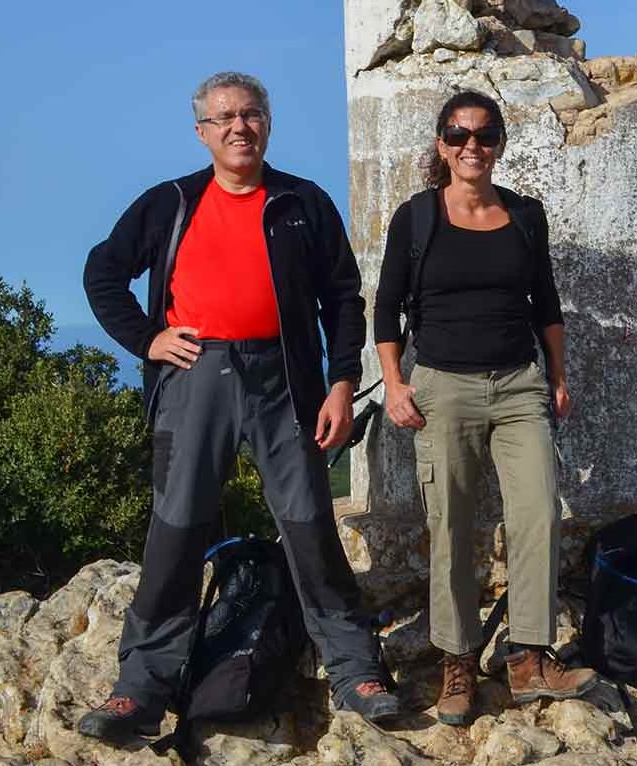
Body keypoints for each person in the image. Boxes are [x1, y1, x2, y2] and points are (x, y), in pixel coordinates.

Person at [77, 72, 402, 744]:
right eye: (223, 117)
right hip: (194, 377)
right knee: (175, 530)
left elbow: (343, 299)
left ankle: (354, 669)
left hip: (283, 379)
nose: (238, 127)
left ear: (268, 123)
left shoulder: (301, 204)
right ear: (202, 132)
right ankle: (140, 688)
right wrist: (147, 338)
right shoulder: (169, 203)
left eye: (250, 114)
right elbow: (103, 271)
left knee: (309, 523)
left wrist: (343, 382)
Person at [373, 90, 597, 726]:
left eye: (485, 134)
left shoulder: (526, 216)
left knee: (537, 516)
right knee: (451, 529)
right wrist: (394, 382)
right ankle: (459, 663)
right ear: (442, 145)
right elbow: (385, 308)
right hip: (444, 387)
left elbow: (545, 302)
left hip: (520, 383)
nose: (472, 145)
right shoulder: (416, 218)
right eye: (459, 134)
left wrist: (556, 376)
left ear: (499, 143)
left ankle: (528, 659)